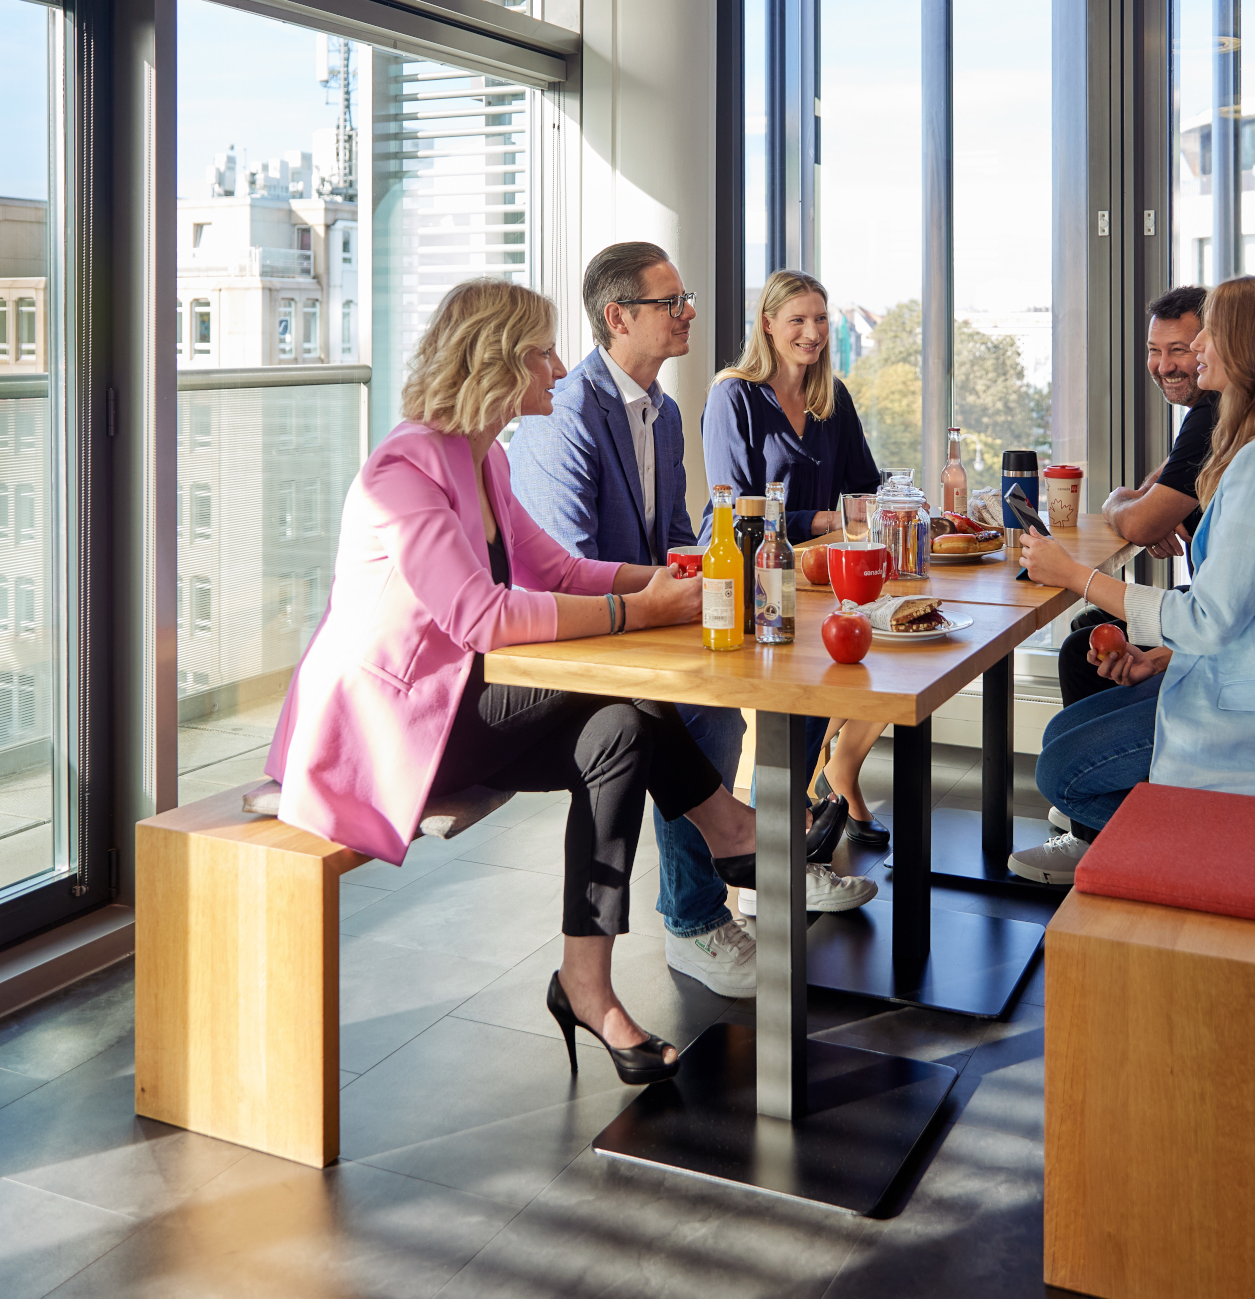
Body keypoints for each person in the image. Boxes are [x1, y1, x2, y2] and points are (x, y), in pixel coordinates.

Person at [266, 278, 841, 1085]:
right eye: (543, 352)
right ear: (499, 361)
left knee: (622, 732)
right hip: (394, 728)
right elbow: (484, 618)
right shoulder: (405, 469)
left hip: (463, 703)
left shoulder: (485, 461)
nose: (559, 366)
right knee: (626, 693)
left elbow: (561, 569)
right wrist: (635, 614)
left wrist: (668, 579)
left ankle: (587, 982)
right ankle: (730, 828)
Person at [511, 243, 875, 996]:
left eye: (686, 299)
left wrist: (699, 586)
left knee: (781, 668)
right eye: (670, 303)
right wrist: (676, 593)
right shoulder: (568, 413)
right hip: (574, 638)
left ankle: (778, 865)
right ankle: (694, 920)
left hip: (646, 611)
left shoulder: (665, 412)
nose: (689, 314)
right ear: (618, 318)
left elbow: (675, 537)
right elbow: (567, 568)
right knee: (704, 718)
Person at [1005, 275, 1255, 885]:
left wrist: (1074, 576)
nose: (1197, 350)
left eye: (1209, 333)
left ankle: (1197, 853)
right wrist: (1163, 657)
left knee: (1061, 770)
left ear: (1249, 348)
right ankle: (1163, 837)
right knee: (1063, 735)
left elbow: (1213, 617)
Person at [702, 269, 888, 850]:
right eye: (798, 321)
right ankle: (774, 858)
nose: (812, 333)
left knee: (857, 682)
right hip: (755, 578)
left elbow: (865, 488)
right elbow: (732, 510)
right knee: (793, 721)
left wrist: (863, 513)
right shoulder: (734, 395)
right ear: (768, 325)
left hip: (815, 578)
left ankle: (793, 839)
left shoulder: (831, 397)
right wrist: (823, 520)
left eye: (820, 320)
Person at [1056, 285, 1217, 706]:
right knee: (1090, 628)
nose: (1163, 366)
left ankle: (1108, 757)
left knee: (1080, 651)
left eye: (1180, 349)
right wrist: (1151, 505)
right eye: (1154, 350)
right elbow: (1156, 490)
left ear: (1210, 345)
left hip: (1225, 622)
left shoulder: (1214, 410)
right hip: (1219, 609)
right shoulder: (1211, 414)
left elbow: (1142, 522)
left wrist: (1117, 501)